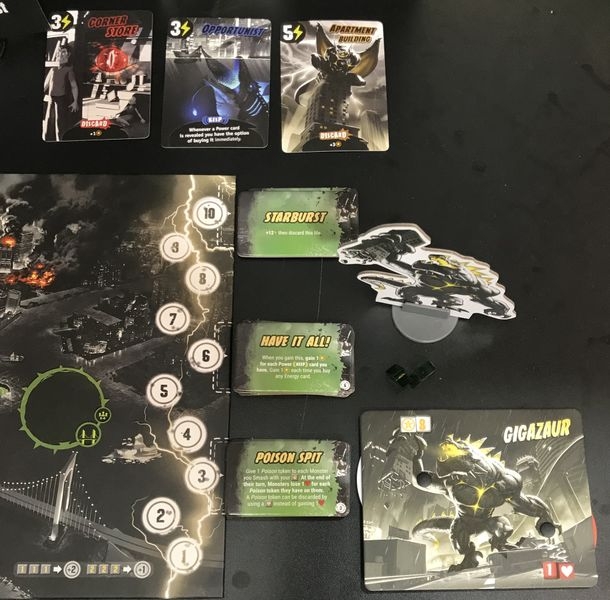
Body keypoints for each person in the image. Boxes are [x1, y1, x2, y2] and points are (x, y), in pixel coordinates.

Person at [43, 44, 79, 140]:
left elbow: (74, 86)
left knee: (60, 125)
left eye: (64, 52)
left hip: (61, 101)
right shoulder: (53, 69)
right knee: (49, 122)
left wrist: (75, 101)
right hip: (51, 100)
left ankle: (61, 142)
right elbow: (45, 85)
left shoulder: (69, 70)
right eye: (59, 52)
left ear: (68, 55)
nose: (60, 54)